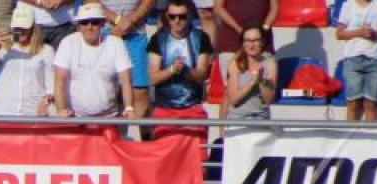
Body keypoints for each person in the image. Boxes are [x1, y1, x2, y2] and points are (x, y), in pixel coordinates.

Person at [54, 3, 136, 119]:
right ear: (78, 26)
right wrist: (61, 108)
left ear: (102, 24)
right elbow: (59, 80)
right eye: (84, 22)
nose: (89, 26)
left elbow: (126, 80)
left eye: (94, 22)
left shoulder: (116, 43)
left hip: (109, 118)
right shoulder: (68, 43)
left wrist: (129, 107)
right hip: (76, 118)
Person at [148, 0, 214, 144]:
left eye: (181, 16)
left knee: (197, 159)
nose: (177, 21)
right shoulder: (158, 39)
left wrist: (185, 70)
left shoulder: (201, 38)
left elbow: (202, 75)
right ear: (167, 16)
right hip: (164, 108)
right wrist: (172, 69)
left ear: (189, 15)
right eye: (172, 17)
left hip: (192, 107)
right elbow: (153, 78)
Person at [0, 4, 56, 116]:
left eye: (23, 28)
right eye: (17, 27)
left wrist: (46, 101)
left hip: (32, 110)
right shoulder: (5, 48)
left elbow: (52, 86)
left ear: (32, 28)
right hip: (5, 109)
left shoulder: (46, 51)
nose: (20, 31)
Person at [213, 0, 277, 118]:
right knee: (229, 93)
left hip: (262, 44)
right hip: (230, 42)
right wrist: (240, 31)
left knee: (264, 91)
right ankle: (224, 135)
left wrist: (263, 29)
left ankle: (263, 123)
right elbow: (218, 8)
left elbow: (274, 8)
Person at [98, 0, 157, 120]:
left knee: (140, 92)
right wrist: (118, 19)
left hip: (136, 34)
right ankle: (116, 135)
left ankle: (144, 136)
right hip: (104, 32)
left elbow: (150, 1)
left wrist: (131, 20)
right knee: (109, 90)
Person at [335, 0, 377, 122]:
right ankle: (349, 135)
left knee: (371, 104)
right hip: (353, 59)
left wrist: (375, 34)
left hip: (374, 59)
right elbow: (339, 34)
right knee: (353, 103)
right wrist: (359, 32)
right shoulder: (348, 5)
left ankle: (369, 138)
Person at [224, 25, 276, 119]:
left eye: (255, 40)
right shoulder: (235, 64)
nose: (251, 45)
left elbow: (269, 99)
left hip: (261, 118)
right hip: (237, 119)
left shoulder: (270, 64)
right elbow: (234, 100)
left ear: (262, 42)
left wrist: (261, 82)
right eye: (247, 41)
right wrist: (252, 83)